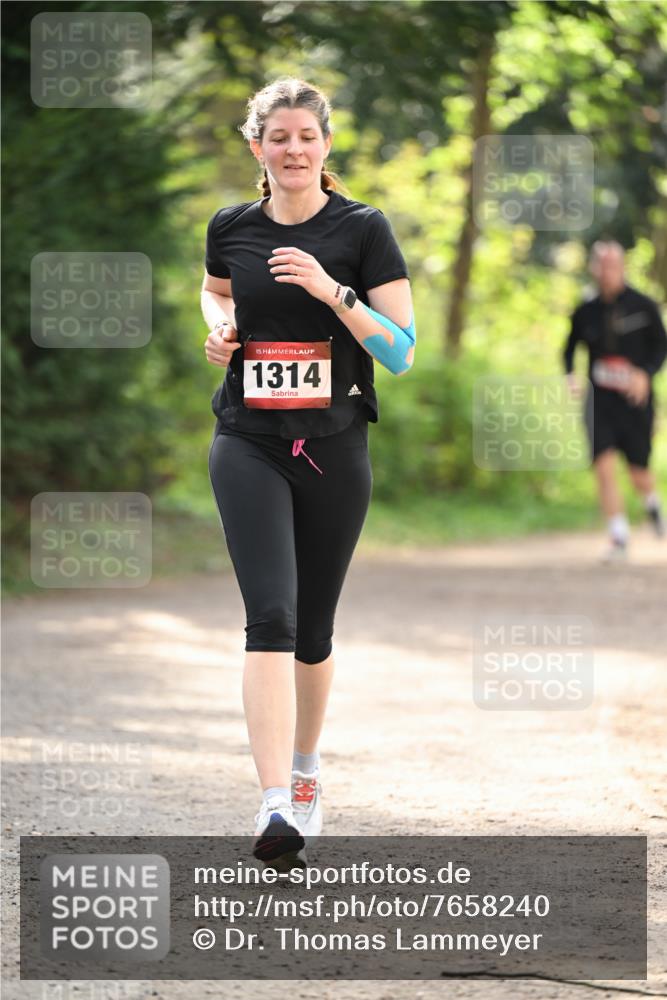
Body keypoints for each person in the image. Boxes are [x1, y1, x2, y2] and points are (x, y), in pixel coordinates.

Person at [201, 78, 415, 868]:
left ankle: (303, 771)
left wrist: (333, 293)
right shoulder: (230, 226)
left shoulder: (363, 229)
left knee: (313, 635)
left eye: (306, 137)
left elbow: (399, 352)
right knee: (271, 619)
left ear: (326, 146)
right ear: (256, 147)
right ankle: (270, 807)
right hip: (247, 440)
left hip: (334, 445)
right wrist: (220, 332)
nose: (292, 150)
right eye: (277, 137)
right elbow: (215, 292)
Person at [563, 241, 667, 561]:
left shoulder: (644, 306)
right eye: (602, 266)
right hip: (599, 402)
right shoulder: (585, 311)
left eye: (613, 265)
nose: (607, 272)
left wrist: (645, 374)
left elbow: (661, 347)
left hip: (635, 403)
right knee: (604, 466)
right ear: (594, 269)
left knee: (638, 472)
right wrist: (570, 375)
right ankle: (619, 537)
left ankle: (652, 505)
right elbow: (569, 348)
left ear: (622, 267)